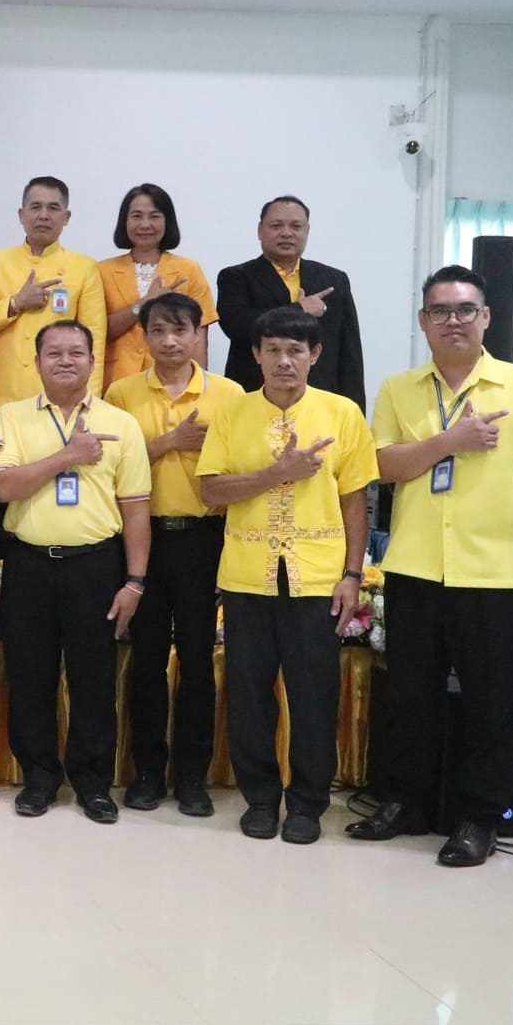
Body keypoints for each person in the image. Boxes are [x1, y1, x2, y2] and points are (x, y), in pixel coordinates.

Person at [350, 265, 513, 867]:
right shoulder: (399, 389)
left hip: (497, 574)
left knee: (493, 703)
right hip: (416, 569)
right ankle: (404, 801)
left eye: (465, 309)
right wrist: (448, 442)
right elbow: (384, 467)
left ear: (486, 317)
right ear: (423, 321)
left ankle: (479, 817)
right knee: (410, 697)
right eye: (440, 311)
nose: (453, 321)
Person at [196, 306, 375, 844]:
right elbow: (210, 491)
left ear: (315, 355)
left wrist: (352, 574)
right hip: (247, 577)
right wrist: (277, 473)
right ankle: (260, 799)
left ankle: (307, 805)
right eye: (272, 350)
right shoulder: (232, 413)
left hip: (316, 578)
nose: (284, 361)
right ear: (255, 354)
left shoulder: (343, 413)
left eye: (296, 351)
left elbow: (355, 501)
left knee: (313, 696)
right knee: (249, 694)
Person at [0, 321, 150, 823]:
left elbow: (136, 510)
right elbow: (4, 487)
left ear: (92, 361)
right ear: (37, 362)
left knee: (93, 678)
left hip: (95, 566)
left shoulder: (121, 424)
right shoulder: (11, 417)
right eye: (54, 353)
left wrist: (135, 581)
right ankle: (39, 777)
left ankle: (92, 781)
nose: (65, 361)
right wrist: (69, 457)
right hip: (29, 565)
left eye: (76, 353)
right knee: (29, 675)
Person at [104, 291, 243, 816]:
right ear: (143, 336)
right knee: (145, 661)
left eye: (180, 330)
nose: (169, 341)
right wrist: (171, 441)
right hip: (143, 540)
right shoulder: (121, 393)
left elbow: (239, 467)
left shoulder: (229, 394)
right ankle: (145, 773)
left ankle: (192, 777)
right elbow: (109, 466)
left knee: (197, 661)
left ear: (197, 335)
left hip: (204, 540)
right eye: (158, 330)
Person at [215, 196, 365, 407]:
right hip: (256, 396)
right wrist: (298, 309)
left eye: (296, 226)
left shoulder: (333, 279)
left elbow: (350, 352)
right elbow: (236, 326)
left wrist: (356, 409)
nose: (286, 233)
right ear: (260, 230)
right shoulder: (236, 277)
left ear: (307, 231)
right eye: (276, 226)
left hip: (322, 399)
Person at [0, 176, 108, 403]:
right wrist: (15, 304)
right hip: (3, 392)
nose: (44, 215)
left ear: (66, 217)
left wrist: (90, 401)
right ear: (21, 215)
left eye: (53, 208)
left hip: (60, 394)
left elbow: (94, 338)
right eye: (36, 207)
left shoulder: (84, 267)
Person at [99, 183, 217, 385]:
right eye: (137, 216)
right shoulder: (102, 271)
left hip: (174, 380)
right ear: (124, 221)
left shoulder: (189, 270)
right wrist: (145, 303)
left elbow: (199, 334)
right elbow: (97, 330)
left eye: (154, 216)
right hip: (115, 380)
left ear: (167, 221)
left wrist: (200, 383)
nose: (145, 225)